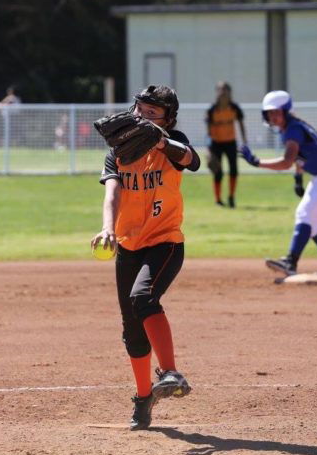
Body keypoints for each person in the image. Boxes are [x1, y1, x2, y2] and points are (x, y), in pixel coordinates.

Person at [90, 84, 201, 431]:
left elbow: (191, 160)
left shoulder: (172, 143)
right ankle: (143, 399)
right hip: (129, 246)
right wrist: (108, 228)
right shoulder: (119, 151)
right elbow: (113, 195)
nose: (143, 116)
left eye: (154, 113)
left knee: (144, 297)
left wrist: (160, 140)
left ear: (168, 119)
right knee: (132, 331)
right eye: (141, 109)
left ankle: (170, 372)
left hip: (165, 242)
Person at [240, 90, 317, 282]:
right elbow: (300, 159)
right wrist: (298, 180)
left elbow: (287, 161)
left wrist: (258, 162)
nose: (272, 116)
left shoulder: (293, 129)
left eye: (276, 112)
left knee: (305, 215)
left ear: (286, 111)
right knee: (311, 221)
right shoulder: (290, 129)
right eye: (269, 113)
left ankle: (291, 262)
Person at [205, 81, 247, 208]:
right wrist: (208, 149)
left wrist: (245, 142)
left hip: (230, 142)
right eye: (220, 90)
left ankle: (231, 197)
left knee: (234, 170)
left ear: (229, 92)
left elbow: (240, 124)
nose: (222, 92)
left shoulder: (234, 108)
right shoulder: (212, 110)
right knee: (218, 172)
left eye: (225, 90)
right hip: (216, 143)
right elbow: (208, 131)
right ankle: (218, 200)